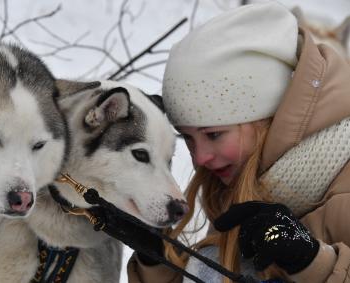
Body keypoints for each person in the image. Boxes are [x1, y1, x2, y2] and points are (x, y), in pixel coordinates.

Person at [127, 1, 350, 282]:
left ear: (266, 116)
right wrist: (157, 259)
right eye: (187, 137)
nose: (199, 158)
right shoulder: (242, 180)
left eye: (213, 134)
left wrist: (310, 261)